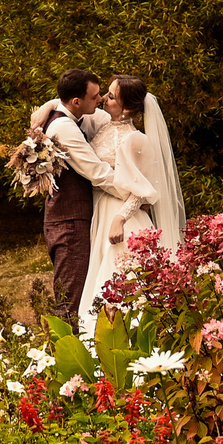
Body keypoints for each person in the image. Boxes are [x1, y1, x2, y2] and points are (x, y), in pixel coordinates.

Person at [76, 74, 185, 334]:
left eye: (111, 97)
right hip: (102, 209)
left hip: (122, 218)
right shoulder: (103, 125)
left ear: (126, 109)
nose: (103, 98)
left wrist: (120, 218)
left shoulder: (136, 139)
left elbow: (143, 189)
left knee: (120, 281)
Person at [37, 70, 113, 323]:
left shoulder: (74, 114)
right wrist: (138, 192)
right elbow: (97, 173)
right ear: (76, 102)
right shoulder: (64, 127)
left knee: (78, 295)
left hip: (71, 217)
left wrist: (49, 104)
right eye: (95, 96)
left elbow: (103, 114)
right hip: (69, 222)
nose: (100, 99)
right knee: (71, 300)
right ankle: (63, 357)